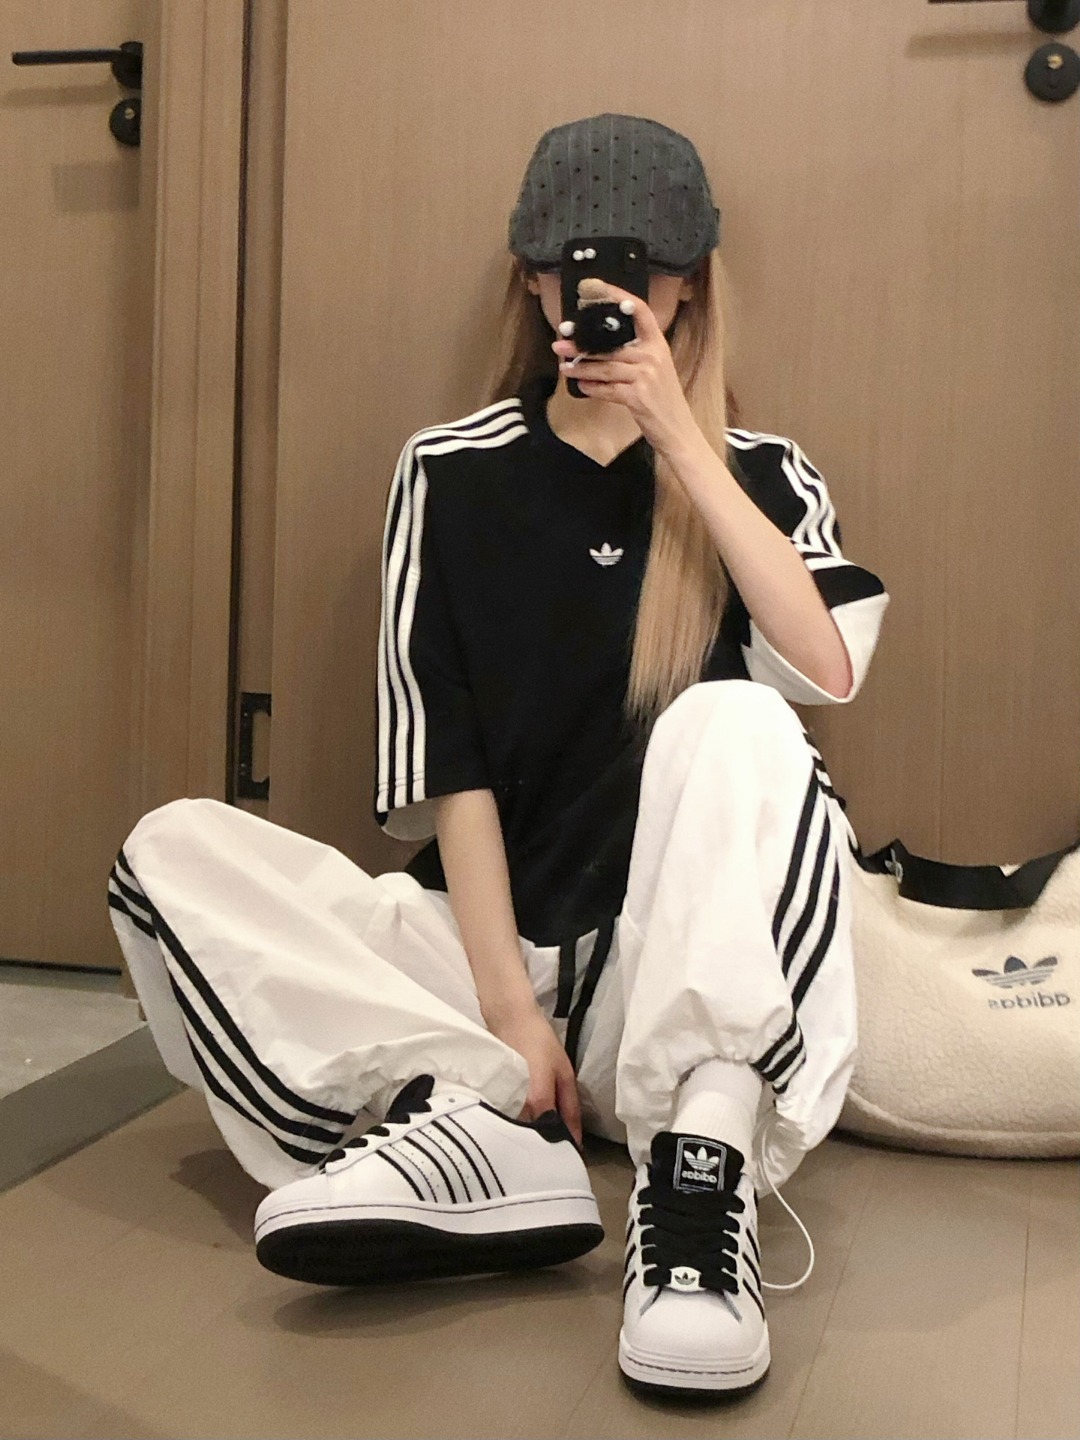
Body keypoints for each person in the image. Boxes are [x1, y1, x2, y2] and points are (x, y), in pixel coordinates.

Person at [107, 114, 888, 1399]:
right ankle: (492, 1122)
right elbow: (449, 765)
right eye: (580, 272)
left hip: (672, 974)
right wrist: (510, 1014)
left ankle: (695, 1177)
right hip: (484, 971)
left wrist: (680, 439)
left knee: (739, 720)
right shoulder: (450, 471)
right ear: (533, 281)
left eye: (643, 273)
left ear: (690, 287)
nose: (609, 301)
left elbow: (827, 669)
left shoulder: (762, 474)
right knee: (171, 851)